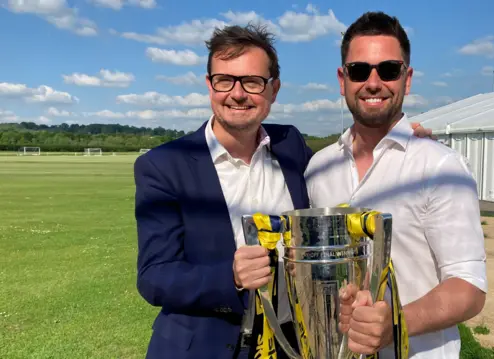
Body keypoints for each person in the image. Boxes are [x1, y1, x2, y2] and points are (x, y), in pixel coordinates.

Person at [133, 23, 435, 359]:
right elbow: (153, 276)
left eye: (252, 82)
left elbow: (346, 163)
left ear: (273, 89)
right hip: (203, 348)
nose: (237, 93)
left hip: (290, 343)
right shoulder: (164, 165)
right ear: (209, 85)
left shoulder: (290, 145)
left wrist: (401, 137)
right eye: (225, 80)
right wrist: (229, 276)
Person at [304, 11, 488, 359]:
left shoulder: (440, 166)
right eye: (359, 70)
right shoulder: (318, 169)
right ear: (342, 79)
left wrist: (395, 323)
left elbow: (469, 288)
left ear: (407, 78)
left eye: (388, 69)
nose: (373, 82)